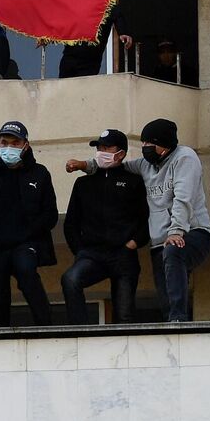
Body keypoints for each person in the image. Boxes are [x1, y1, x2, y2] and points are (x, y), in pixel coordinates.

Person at [65, 118, 210, 322]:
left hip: (191, 232)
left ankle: (180, 320)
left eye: (149, 144)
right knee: (165, 297)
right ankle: (173, 322)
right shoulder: (145, 165)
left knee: (174, 254)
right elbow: (117, 165)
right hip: (160, 240)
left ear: (165, 145)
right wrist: (85, 165)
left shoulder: (185, 158)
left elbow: (183, 198)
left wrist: (176, 231)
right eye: (143, 144)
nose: (144, 148)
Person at [0, 120, 57, 326]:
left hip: (25, 243)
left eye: (15, 143)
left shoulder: (40, 173)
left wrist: (28, 234)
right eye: (4, 142)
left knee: (26, 271)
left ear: (26, 145)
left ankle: (47, 327)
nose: (9, 147)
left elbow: (50, 215)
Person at [61, 129, 149, 324]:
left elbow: (145, 218)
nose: (101, 151)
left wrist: (133, 243)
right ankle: (80, 333)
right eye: (99, 147)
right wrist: (80, 251)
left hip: (124, 255)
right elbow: (71, 222)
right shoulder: (83, 183)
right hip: (92, 254)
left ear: (121, 153)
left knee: (124, 315)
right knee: (70, 279)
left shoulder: (133, 181)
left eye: (107, 147)